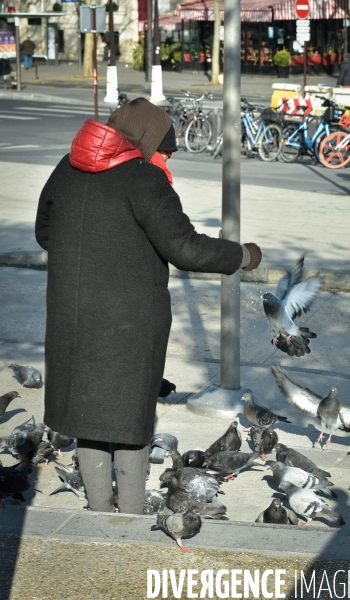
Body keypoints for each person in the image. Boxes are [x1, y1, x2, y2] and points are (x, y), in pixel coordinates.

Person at [35, 99, 262, 514]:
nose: (168, 156)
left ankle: (99, 514)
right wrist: (243, 256)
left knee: (89, 418)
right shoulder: (144, 180)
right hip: (129, 323)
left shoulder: (65, 168)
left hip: (72, 318)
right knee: (130, 422)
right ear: (144, 141)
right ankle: (134, 520)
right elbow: (187, 249)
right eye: (165, 148)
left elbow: (44, 232)